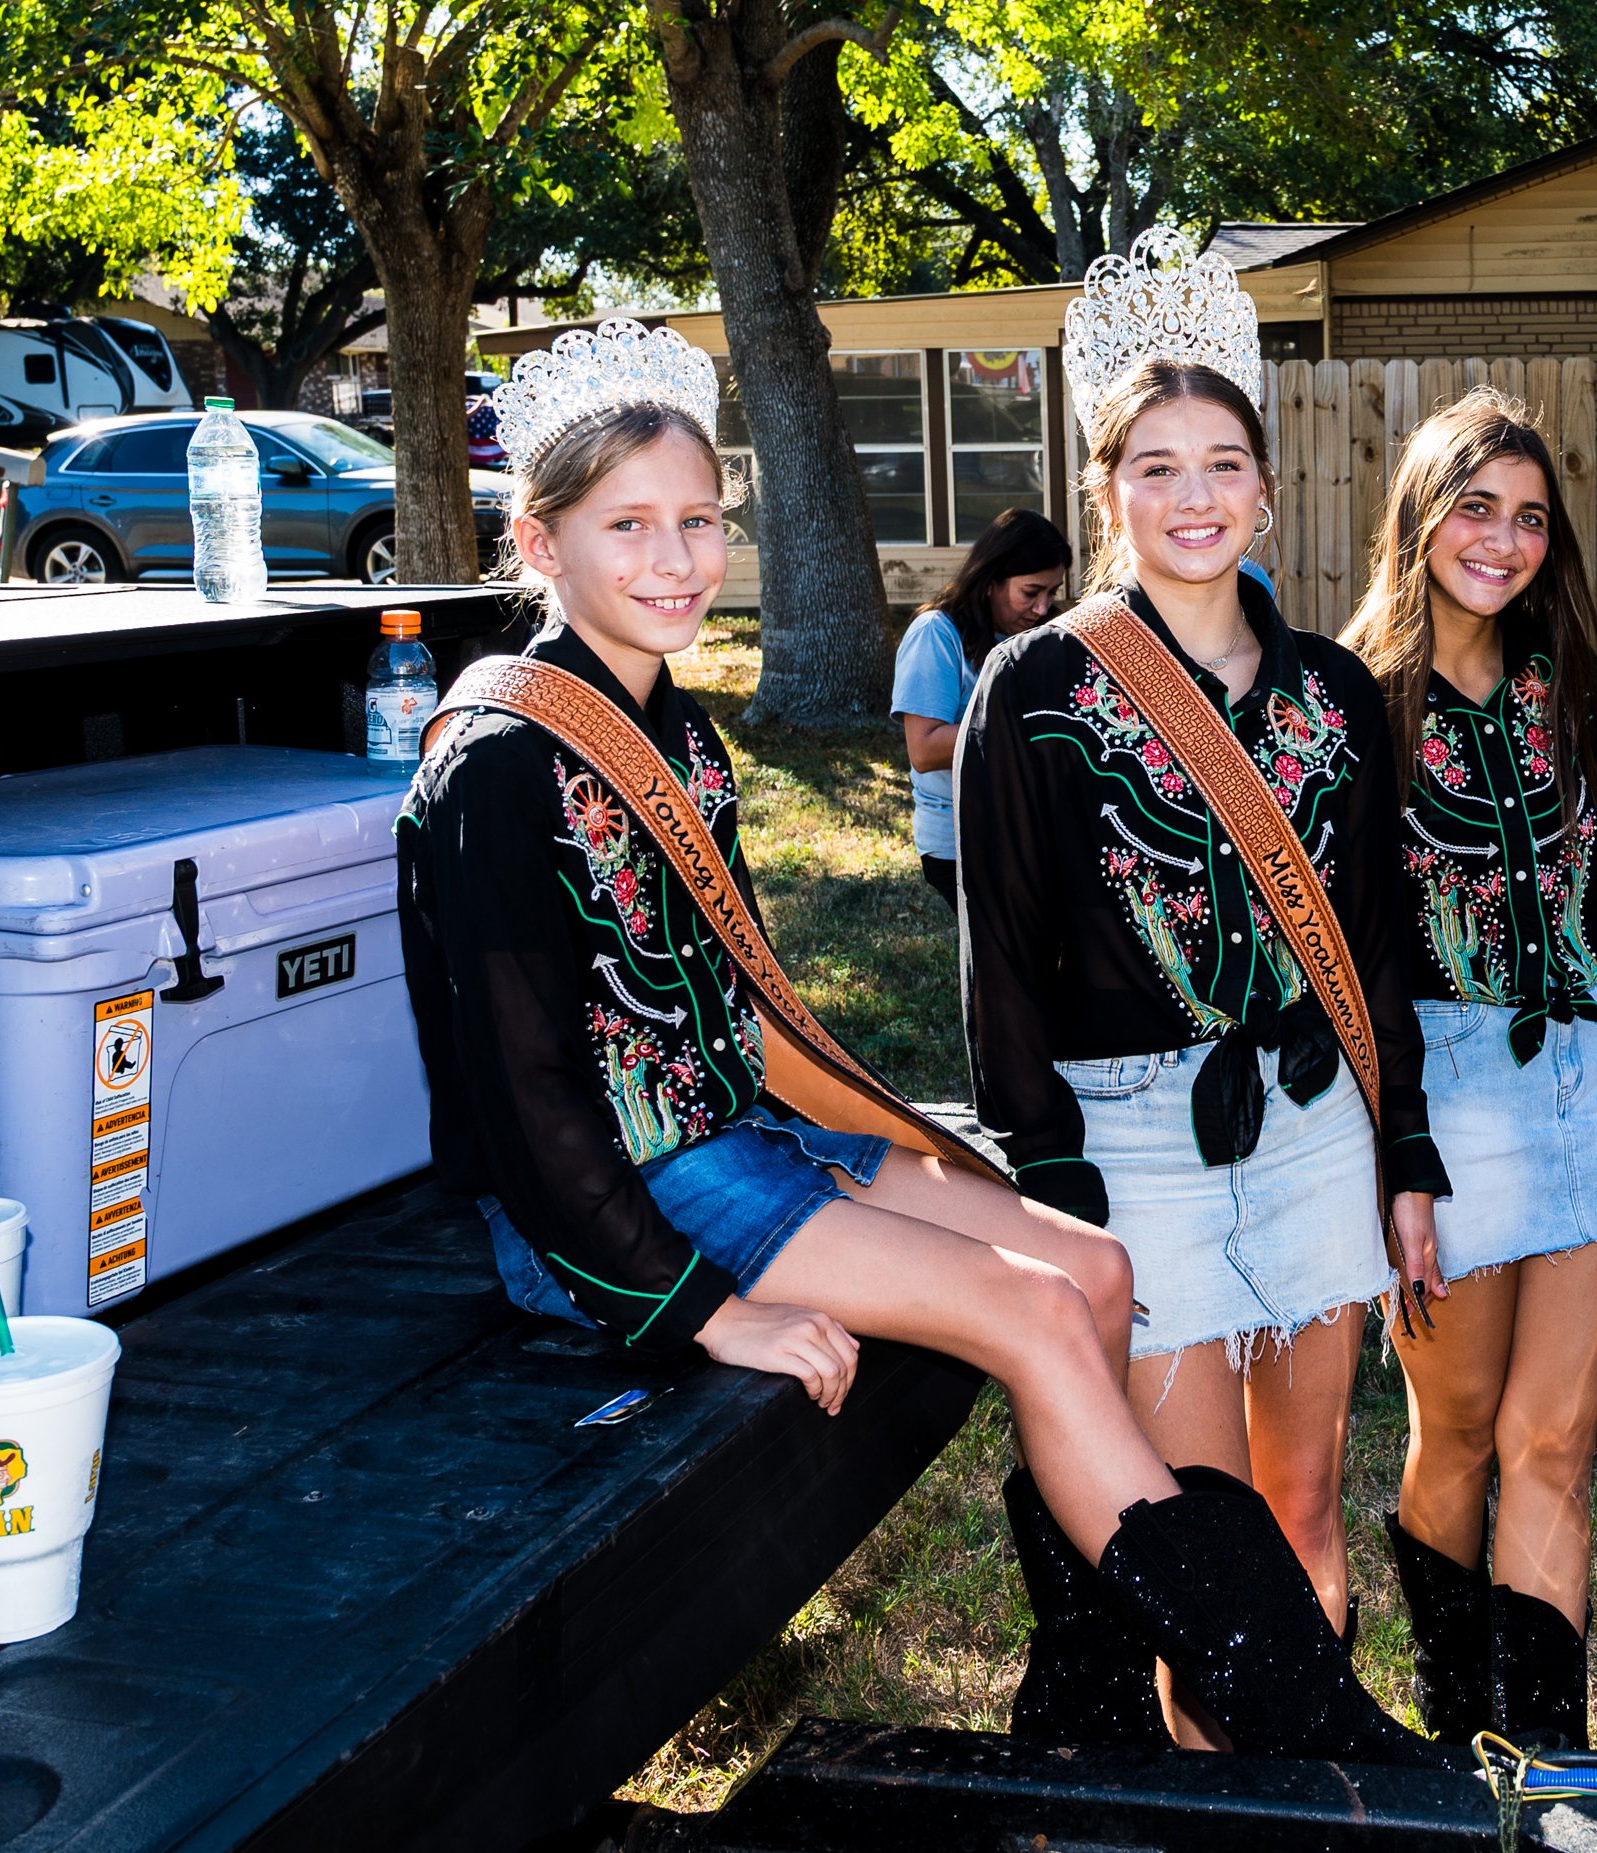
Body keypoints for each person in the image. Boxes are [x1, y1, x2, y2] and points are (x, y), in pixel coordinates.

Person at [395, 316, 1441, 1771]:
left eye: (699, 520)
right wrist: (705, 1311)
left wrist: (884, 1144)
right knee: (1027, 1314)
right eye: (628, 526)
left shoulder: (681, 740)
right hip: (624, 1208)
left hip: (742, 1143)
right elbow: (524, 1108)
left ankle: (1081, 1699)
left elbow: (735, 1018)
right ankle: (1295, 1703)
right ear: (541, 540)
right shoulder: (498, 763)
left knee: (1093, 1268)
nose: (677, 560)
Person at [957, 230, 1450, 1751]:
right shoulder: (1034, 685)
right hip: (1133, 1144)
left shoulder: (1335, 694)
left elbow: (1377, 943)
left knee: (1301, 1497)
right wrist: (1053, 1185)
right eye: (1156, 467)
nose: (1194, 497)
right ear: (1108, 491)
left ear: (1266, 490)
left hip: (1313, 1130)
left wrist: (1405, 1159)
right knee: (1202, 1535)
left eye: (1223, 463)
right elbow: (1004, 963)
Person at [1341, 389, 1597, 1751]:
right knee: (1464, 1432)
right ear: (1420, 516)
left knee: (1557, 1441)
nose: (1504, 539)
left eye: (1531, 516)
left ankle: (1543, 1764)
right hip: (1445, 1089)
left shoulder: (1564, 685)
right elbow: (1357, 958)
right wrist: (1402, 1155)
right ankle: (1447, 1715)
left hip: (1583, 1076)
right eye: (1476, 507)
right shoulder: (1355, 700)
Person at [891, 510, 1071, 908]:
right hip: (962, 843)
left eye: (1052, 593)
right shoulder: (936, 633)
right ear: (991, 582)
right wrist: (1029, 726)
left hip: (1030, 838)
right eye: (1031, 592)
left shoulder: (1036, 637)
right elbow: (923, 749)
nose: (1043, 607)